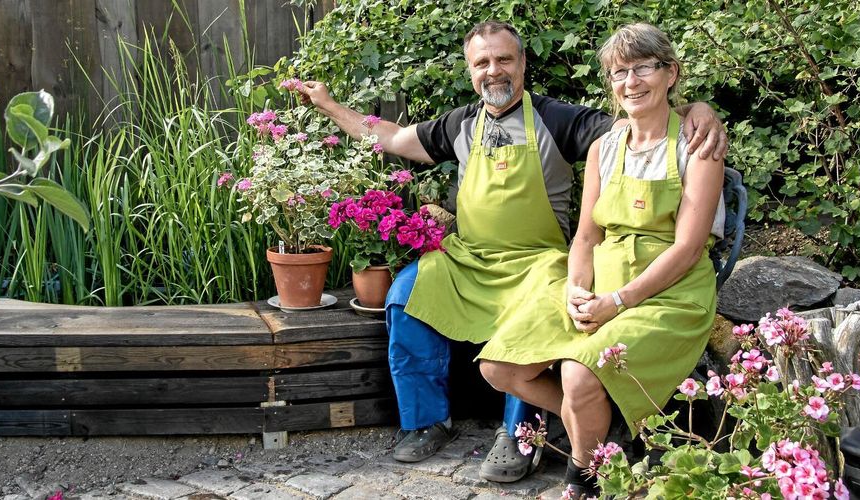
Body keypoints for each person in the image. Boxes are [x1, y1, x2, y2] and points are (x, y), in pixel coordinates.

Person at [296, 21, 726, 483]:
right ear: (470, 71)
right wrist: (328, 105)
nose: (493, 70)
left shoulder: (558, 119)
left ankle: (519, 433)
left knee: (533, 310)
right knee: (405, 294)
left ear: (522, 63)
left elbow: (639, 119)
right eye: (482, 62)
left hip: (536, 260)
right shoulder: (460, 123)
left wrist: (698, 110)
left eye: (504, 59)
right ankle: (425, 421)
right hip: (468, 257)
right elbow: (391, 138)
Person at [477, 22, 725, 496]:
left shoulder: (696, 146)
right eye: (619, 72)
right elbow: (587, 236)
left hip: (668, 293)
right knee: (499, 366)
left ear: (671, 73)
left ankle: (585, 476)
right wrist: (576, 289)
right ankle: (608, 426)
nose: (631, 82)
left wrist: (618, 300)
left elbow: (688, 249)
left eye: (643, 68)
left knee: (578, 373)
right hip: (601, 285)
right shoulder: (604, 148)